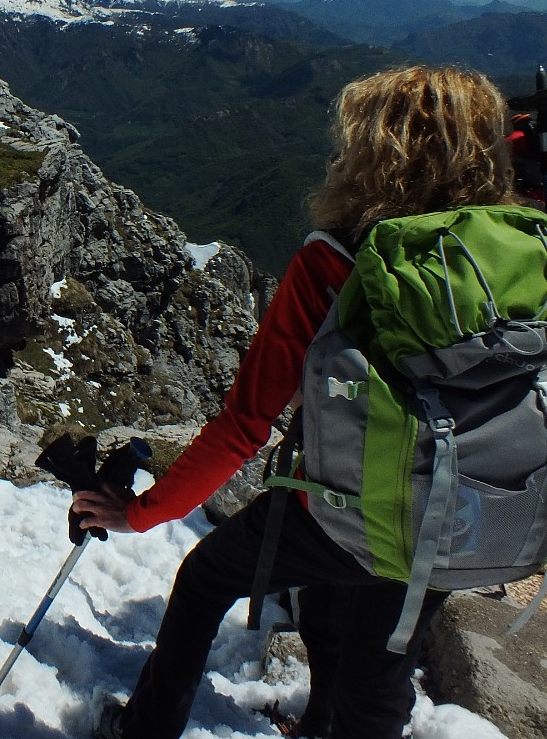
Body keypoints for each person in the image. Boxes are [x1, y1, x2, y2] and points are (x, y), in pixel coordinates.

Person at [73, 66, 520, 739]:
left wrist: (142, 513)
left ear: (375, 149)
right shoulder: (520, 247)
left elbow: (244, 426)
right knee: (377, 644)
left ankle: (143, 731)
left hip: (348, 512)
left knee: (205, 580)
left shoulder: (337, 260)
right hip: (464, 509)